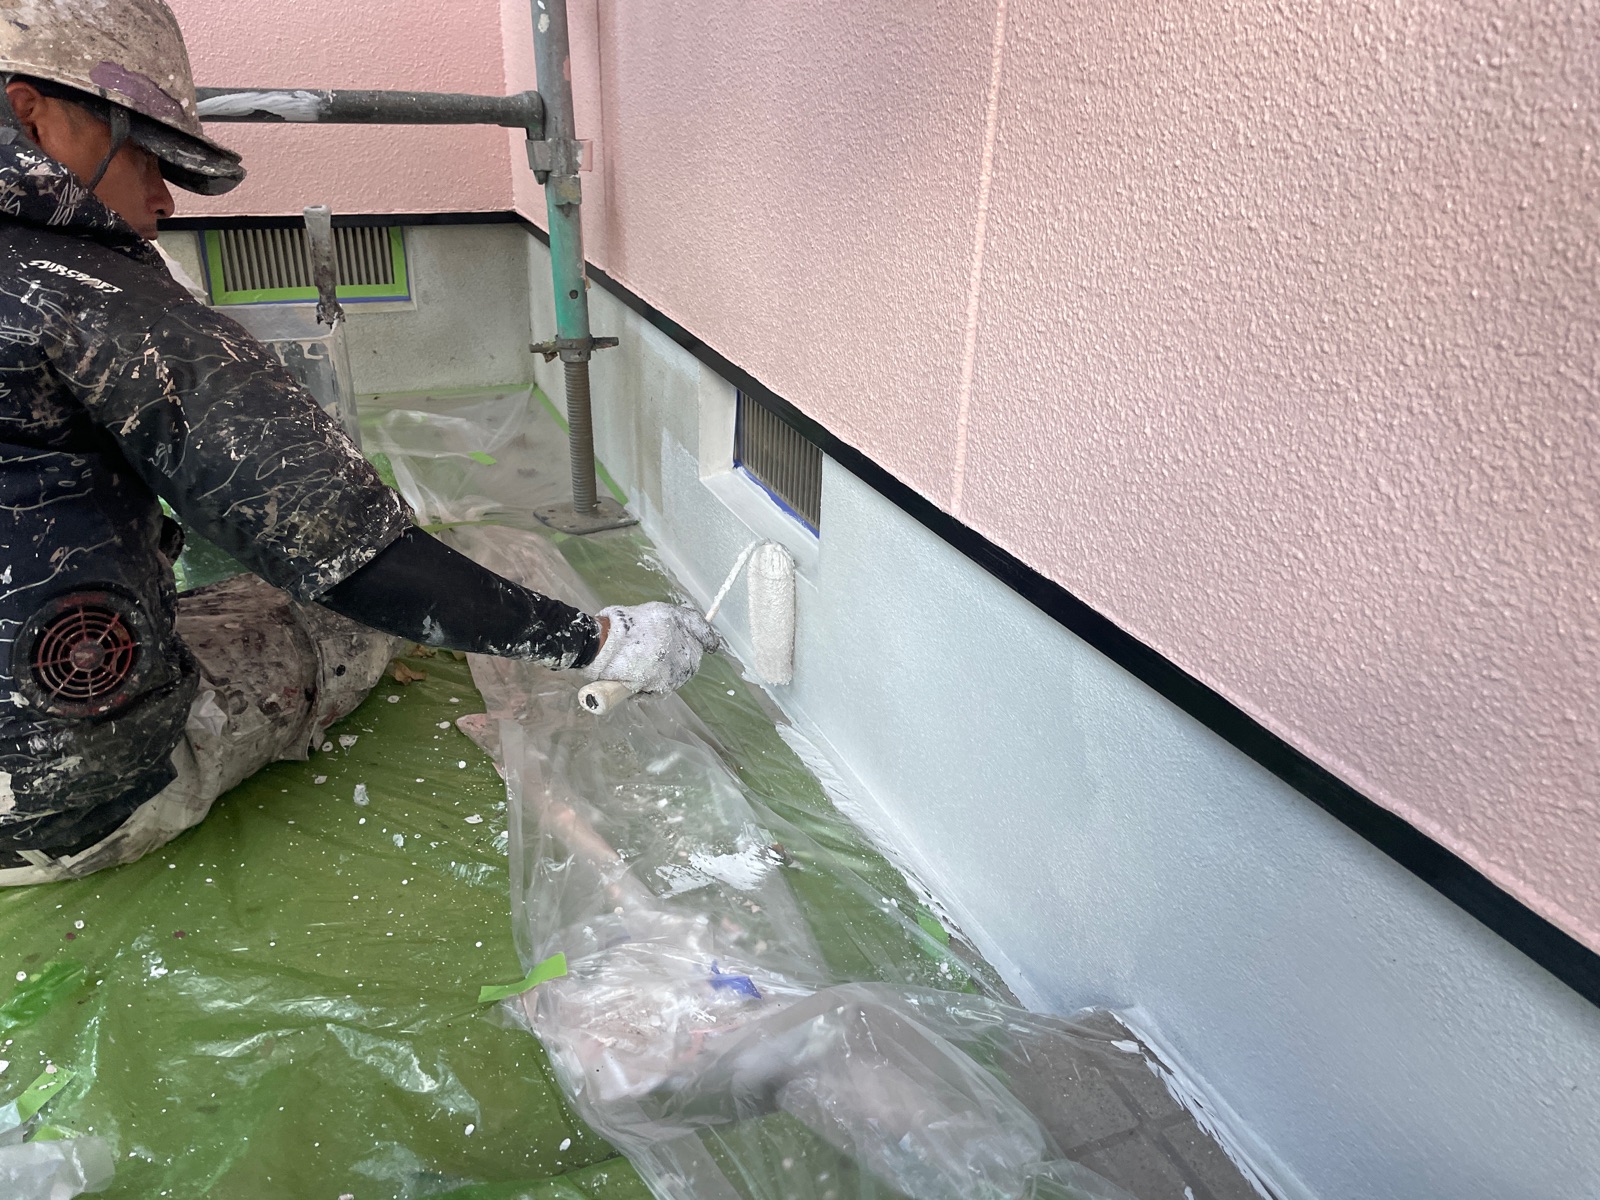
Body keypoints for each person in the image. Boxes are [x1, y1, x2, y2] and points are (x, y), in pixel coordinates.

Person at [0, 0, 717, 884]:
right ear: (33, 113)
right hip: (63, 795)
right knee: (344, 615)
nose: (161, 199)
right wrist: (599, 641)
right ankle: (108, 809)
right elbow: (343, 547)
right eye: (146, 156)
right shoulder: (81, 290)